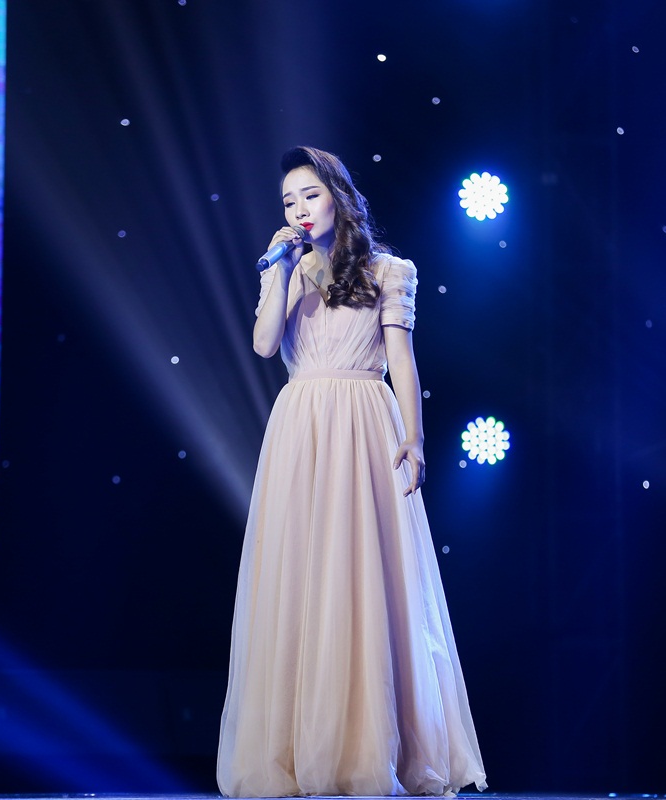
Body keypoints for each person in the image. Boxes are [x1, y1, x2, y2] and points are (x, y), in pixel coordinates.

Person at [217, 146, 487, 797]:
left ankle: (369, 747)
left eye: (310, 195)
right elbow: (263, 345)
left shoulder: (389, 271)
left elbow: (403, 359)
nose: (299, 210)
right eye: (288, 201)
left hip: (365, 421)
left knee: (367, 575)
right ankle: (297, 748)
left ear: (338, 197)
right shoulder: (286, 270)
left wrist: (415, 438)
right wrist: (279, 271)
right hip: (300, 426)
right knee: (301, 578)